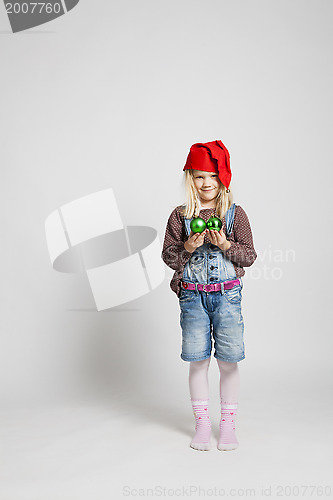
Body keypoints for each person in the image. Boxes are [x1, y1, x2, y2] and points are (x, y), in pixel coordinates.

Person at [161, 140, 257, 452]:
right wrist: (187, 248)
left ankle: (227, 426)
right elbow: (170, 258)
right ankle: (202, 425)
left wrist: (227, 245)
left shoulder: (234, 215)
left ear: (223, 179)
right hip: (192, 299)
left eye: (213, 176)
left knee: (228, 362)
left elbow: (249, 257)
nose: (206, 183)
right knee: (198, 361)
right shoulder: (179, 216)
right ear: (190, 179)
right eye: (200, 176)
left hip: (227, 298)